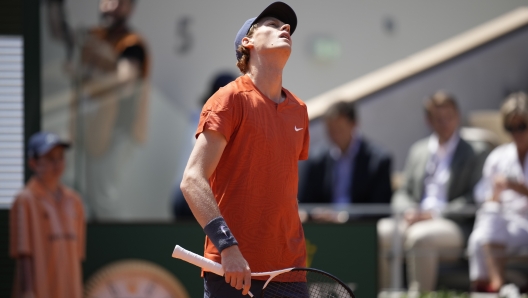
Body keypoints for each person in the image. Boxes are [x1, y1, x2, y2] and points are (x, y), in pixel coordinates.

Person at [179, 2, 309, 297]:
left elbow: (282, 191)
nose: (285, 29)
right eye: (273, 24)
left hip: (290, 272)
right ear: (247, 43)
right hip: (233, 269)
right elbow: (192, 179)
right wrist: (228, 247)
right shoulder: (228, 99)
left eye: (286, 26)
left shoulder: (299, 110)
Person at [377, 91, 488, 292]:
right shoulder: (419, 150)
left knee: (421, 238)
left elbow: (475, 198)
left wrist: (434, 214)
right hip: (415, 219)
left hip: (453, 223)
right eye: (438, 119)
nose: (444, 123)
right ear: (428, 120)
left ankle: (419, 295)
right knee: (382, 232)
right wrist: (410, 211)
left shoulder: (475, 151)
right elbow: (402, 191)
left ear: (457, 117)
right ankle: (386, 294)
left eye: (449, 118)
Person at [70, 0, 150, 220]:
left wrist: (88, 82)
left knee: (105, 201)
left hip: (118, 131)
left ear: (130, 8)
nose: (113, 6)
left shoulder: (131, 43)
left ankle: (120, 254)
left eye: (121, 3)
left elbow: (125, 79)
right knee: (87, 200)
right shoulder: (94, 37)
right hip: (91, 129)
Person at [9, 132, 85, 298]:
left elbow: (77, 254)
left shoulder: (75, 200)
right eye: (50, 158)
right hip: (40, 291)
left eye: (60, 157)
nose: (57, 163)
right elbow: (23, 253)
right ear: (33, 163)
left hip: (70, 289)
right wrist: (28, 291)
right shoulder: (25, 200)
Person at [468, 92, 528, 293]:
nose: (516, 133)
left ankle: (488, 288)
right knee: (485, 225)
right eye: (510, 128)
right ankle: (498, 286)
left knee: (480, 236)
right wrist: (495, 195)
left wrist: (518, 187)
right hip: (502, 224)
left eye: (522, 126)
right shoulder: (498, 157)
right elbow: (482, 198)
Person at [298, 100, 392, 220]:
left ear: (353, 124)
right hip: (322, 227)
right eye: (331, 130)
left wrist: (343, 217)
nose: (335, 135)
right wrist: (315, 214)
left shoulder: (378, 160)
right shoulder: (316, 160)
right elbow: (305, 202)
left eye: (339, 129)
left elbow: (380, 208)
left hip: (361, 229)